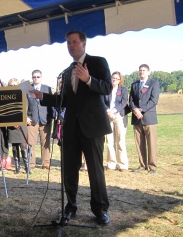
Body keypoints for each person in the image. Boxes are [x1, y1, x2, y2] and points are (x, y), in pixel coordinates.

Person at [30, 30, 112, 225]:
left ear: (84, 43)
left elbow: (107, 88)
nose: (71, 45)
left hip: (92, 126)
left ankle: (100, 209)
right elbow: (64, 100)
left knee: (95, 169)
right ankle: (71, 206)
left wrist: (88, 80)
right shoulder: (67, 72)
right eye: (68, 43)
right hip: (71, 127)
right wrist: (44, 97)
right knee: (69, 169)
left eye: (74, 42)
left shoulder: (98, 62)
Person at [129, 64, 160, 174]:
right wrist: (135, 110)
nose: (141, 72)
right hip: (137, 119)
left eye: (144, 70)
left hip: (149, 118)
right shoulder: (134, 85)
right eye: (140, 70)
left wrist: (141, 110)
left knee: (151, 143)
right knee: (139, 143)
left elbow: (153, 100)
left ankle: (152, 166)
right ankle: (142, 165)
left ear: (148, 72)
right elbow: (131, 100)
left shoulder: (154, 84)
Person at [26, 70, 54, 170]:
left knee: (45, 142)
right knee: (30, 143)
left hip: (45, 119)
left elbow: (51, 104)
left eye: (38, 77)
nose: (36, 78)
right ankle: (31, 164)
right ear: (32, 78)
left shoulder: (47, 88)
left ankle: (45, 163)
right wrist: (25, 117)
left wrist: (51, 117)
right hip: (32, 120)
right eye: (34, 77)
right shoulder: (27, 89)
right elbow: (24, 104)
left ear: (41, 77)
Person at [104, 71, 129, 171]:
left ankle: (122, 164)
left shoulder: (123, 89)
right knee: (109, 141)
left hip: (119, 116)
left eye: (116, 78)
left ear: (120, 80)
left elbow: (123, 102)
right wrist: (108, 111)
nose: (114, 80)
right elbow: (102, 101)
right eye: (113, 78)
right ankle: (111, 164)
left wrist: (113, 111)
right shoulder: (107, 89)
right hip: (108, 116)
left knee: (120, 140)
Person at [7, 78, 29, 174]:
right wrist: (12, 123)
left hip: (21, 125)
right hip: (11, 127)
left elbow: (25, 109)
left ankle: (27, 167)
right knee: (15, 148)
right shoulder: (6, 97)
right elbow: (6, 112)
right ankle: (17, 167)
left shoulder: (23, 95)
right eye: (11, 85)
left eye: (15, 85)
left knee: (23, 147)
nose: (13, 87)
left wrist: (19, 121)